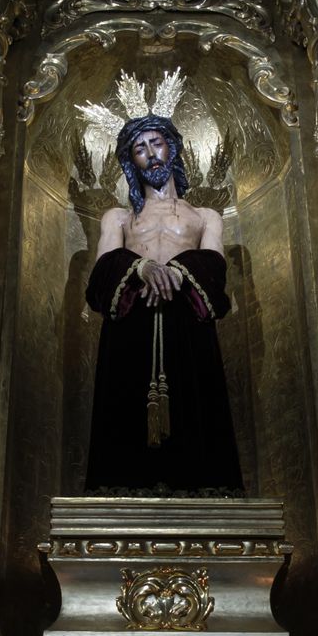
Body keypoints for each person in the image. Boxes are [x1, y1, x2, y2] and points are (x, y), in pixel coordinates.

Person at [83, 114, 243, 494]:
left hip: (187, 321)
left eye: (156, 144)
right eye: (140, 149)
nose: (151, 155)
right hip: (130, 321)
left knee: (196, 406)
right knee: (125, 408)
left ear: (171, 149)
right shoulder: (120, 217)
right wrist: (139, 268)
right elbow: (102, 274)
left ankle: (200, 488)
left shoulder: (205, 217)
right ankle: (123, 488)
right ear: (130, 161)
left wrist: (178, 272)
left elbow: (216, 270)